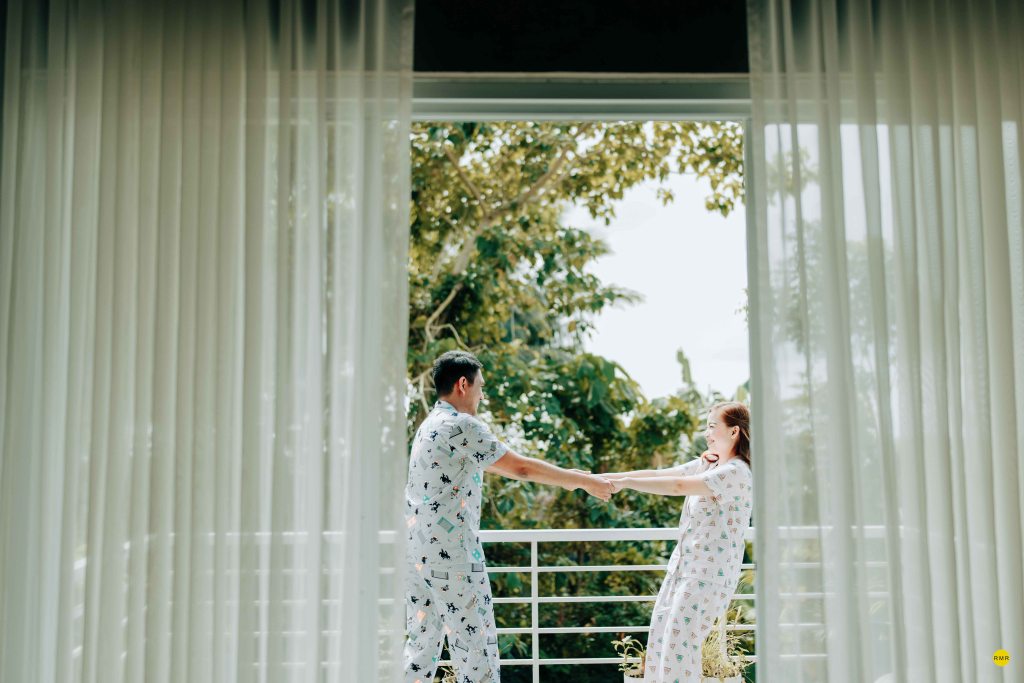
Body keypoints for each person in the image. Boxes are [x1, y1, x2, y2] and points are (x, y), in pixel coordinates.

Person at [403, 350, 614, 683]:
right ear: (463, 384)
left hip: (416, 554)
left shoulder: (429, 426)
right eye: (480, 387)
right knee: (477, 650)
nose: (482, 395)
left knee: (421, 648)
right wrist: (582, 482)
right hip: (452, 555)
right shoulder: (460, 425)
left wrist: (571, 477)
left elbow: (505, 465)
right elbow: (521, 468)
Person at [604, 402, 753, 683]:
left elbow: (678, 486)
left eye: (712, 426)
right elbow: (662, 475)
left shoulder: (735, 472)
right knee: (660, 643)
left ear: (734, 431)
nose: (707, 433)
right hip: (682, 570)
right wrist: (600, 479)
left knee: (678, 650)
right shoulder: (710, 464)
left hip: (707, 576)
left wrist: (624, 483)